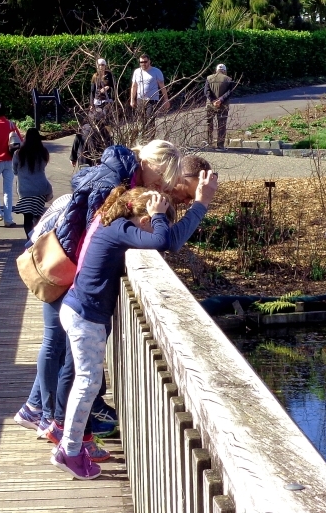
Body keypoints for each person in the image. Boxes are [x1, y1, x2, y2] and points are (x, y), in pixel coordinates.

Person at [13, 139, 183, 451]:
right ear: (150, 164)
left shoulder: (120, 174)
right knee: (59, 347)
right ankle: (55, 421)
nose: (159, 186)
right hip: (72, 271)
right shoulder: (115, 182)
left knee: (60, 345)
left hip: (74, 272)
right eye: (160, 179)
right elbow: (99, 231)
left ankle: (38, 411)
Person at [51, 172, 218, 480]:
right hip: (85, 315)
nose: (160, 224)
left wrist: (199, 204)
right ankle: (69, 450)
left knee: (84, 380)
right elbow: (162, 240)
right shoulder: (120, 227)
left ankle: (73, 444)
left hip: (82, 311)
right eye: (156, 219)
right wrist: (170, 214)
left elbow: (170, 238)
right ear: (142, 218)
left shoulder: (117, 222)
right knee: (87, 382)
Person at [12, 128, 53, 238]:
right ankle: (37, 240)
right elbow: (44, 166)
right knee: (38, 217)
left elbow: (14, 170)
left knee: (27, 218)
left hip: (25, 190)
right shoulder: (43, 152)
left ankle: (29, 241)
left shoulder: (18, 153)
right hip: (40, 189)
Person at [129, 54, 169, 139]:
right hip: (140, 100)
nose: (143, 64)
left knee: (150, 120)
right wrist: (132, 99)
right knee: (142, 121)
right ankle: (143, 139)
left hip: (152, 100)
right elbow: (134, 86)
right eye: (141, 62)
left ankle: (150, 139)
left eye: (145, 62)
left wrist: (166, 99)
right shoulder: (137, 72)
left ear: (149, 61)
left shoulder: (156, 71)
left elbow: (162, 86)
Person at [204, 63, 235, 149]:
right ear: (224, 71)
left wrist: (213, 100)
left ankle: (209, 143)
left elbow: (206, 91)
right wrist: (220, 100)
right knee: (222, 124)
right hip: (223, 105)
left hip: (210, 105)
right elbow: (229, 92)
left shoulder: (209, 78)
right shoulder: (228, 79)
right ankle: (220, 145)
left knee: (209, 124)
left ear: (216, 70)